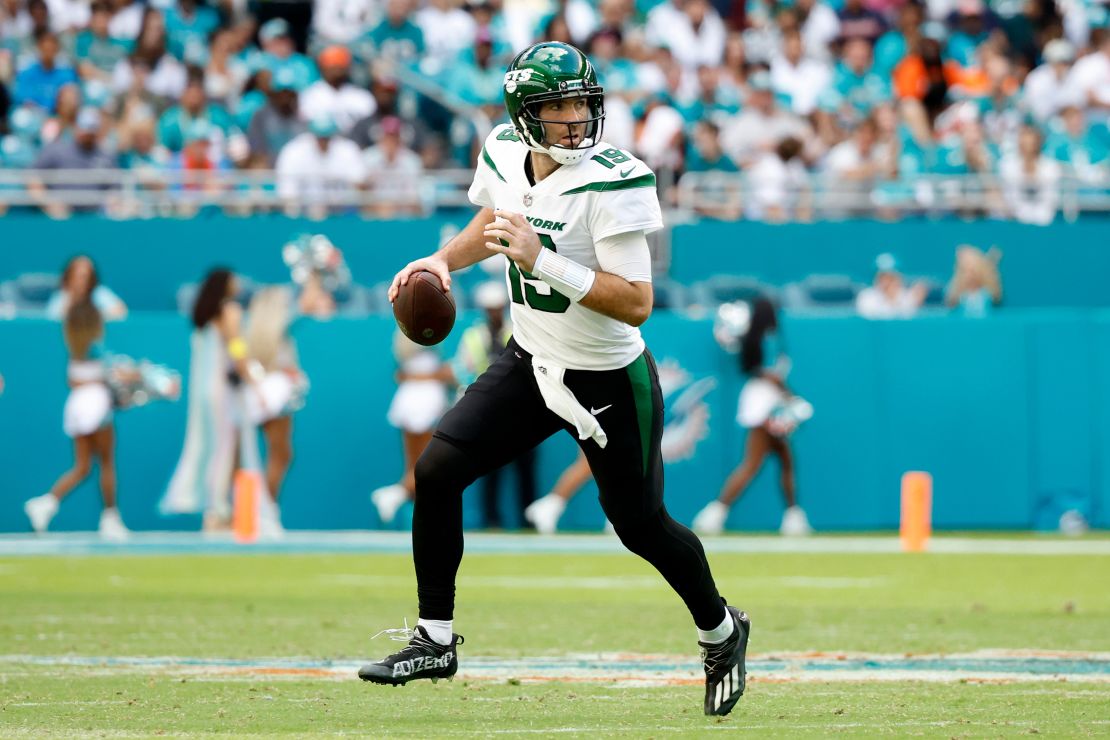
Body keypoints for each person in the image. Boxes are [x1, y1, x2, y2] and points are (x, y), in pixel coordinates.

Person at [359, 41, 750, 718]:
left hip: (608, 374)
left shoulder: (614, 178)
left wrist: (544, 262)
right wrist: (442, 260)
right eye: (557, 106)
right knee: (438, 471)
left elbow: (636, 301)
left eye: (581, 103)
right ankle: (434, 638)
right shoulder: (505, 152)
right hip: (532, 359)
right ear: (523, 114)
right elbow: (493, 222)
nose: (574, 119)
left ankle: (721, 630)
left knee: (641, 525)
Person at [693, 298, 813, 537]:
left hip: (767, 404)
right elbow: (770, 375)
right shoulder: (766, 339)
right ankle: (715, 512)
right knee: (752, 464)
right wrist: (792, 398)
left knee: (785, 461)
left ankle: (792, 516)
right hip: (764, 406)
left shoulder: (756, 339)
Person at [161, 268, 264, 531]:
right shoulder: (229, 311)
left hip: (209, 391)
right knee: (223, 448)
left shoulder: (205, 317)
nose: (239, 282)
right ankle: (216, 510)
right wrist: (253, 380)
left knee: (221, 447)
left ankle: (222, 507)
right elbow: (236, 347)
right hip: (222, 392)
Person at [24, 299, 129, 541]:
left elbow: (73, 381)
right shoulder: (96, 348)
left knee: (82, 467)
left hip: (76, 406)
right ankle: (110, 518)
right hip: (96, 406)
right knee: (106, 463)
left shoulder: (74, 349)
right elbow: (114, 372)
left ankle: (46, 503)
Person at [452, 280, 537, 530]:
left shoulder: (520, 331)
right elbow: (462, 370)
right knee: (490, 469)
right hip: (489, 413)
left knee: (526, 469)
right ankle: (491, 520)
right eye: (490, 309)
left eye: (498, 308)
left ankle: (528, 519)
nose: (495, 313)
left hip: (521, 413)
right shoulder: (473, 337)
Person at [243, 286, 310, 532]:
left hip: (259, 392)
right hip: (277, 393)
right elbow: (308, 303)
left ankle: (258, 512)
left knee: (265, 456)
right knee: (280, 454)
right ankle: (267, 511)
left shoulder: (254, 330)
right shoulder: (281, 327)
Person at [370, 330, 453, 526]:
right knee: (424, 465)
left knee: (415, 465)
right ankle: (395, 495)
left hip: (410, 397)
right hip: (424, 400)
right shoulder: (423, 334)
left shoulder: (405, 338)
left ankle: (417, 516)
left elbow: (402, 374)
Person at [46, 254, 128, 321]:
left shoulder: (99, 293)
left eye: (85, 277)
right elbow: (51, 318)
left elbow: (120, 310)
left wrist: (92, 317)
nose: (81, 282)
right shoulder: (61, 297)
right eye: (77, 276)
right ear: (69, 277)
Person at [856, 253, 927, 319]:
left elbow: (908, 323)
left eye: (891, 278)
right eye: (882, 277)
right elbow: (869, 323)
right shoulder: (866, 297)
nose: (886, 282)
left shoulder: (908, 297)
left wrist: (917, 302)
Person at [945, 244, 1001, 317]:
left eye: (973, 271)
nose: (970, 276)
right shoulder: (958, 296)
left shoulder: (986, 294)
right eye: (965, 271)